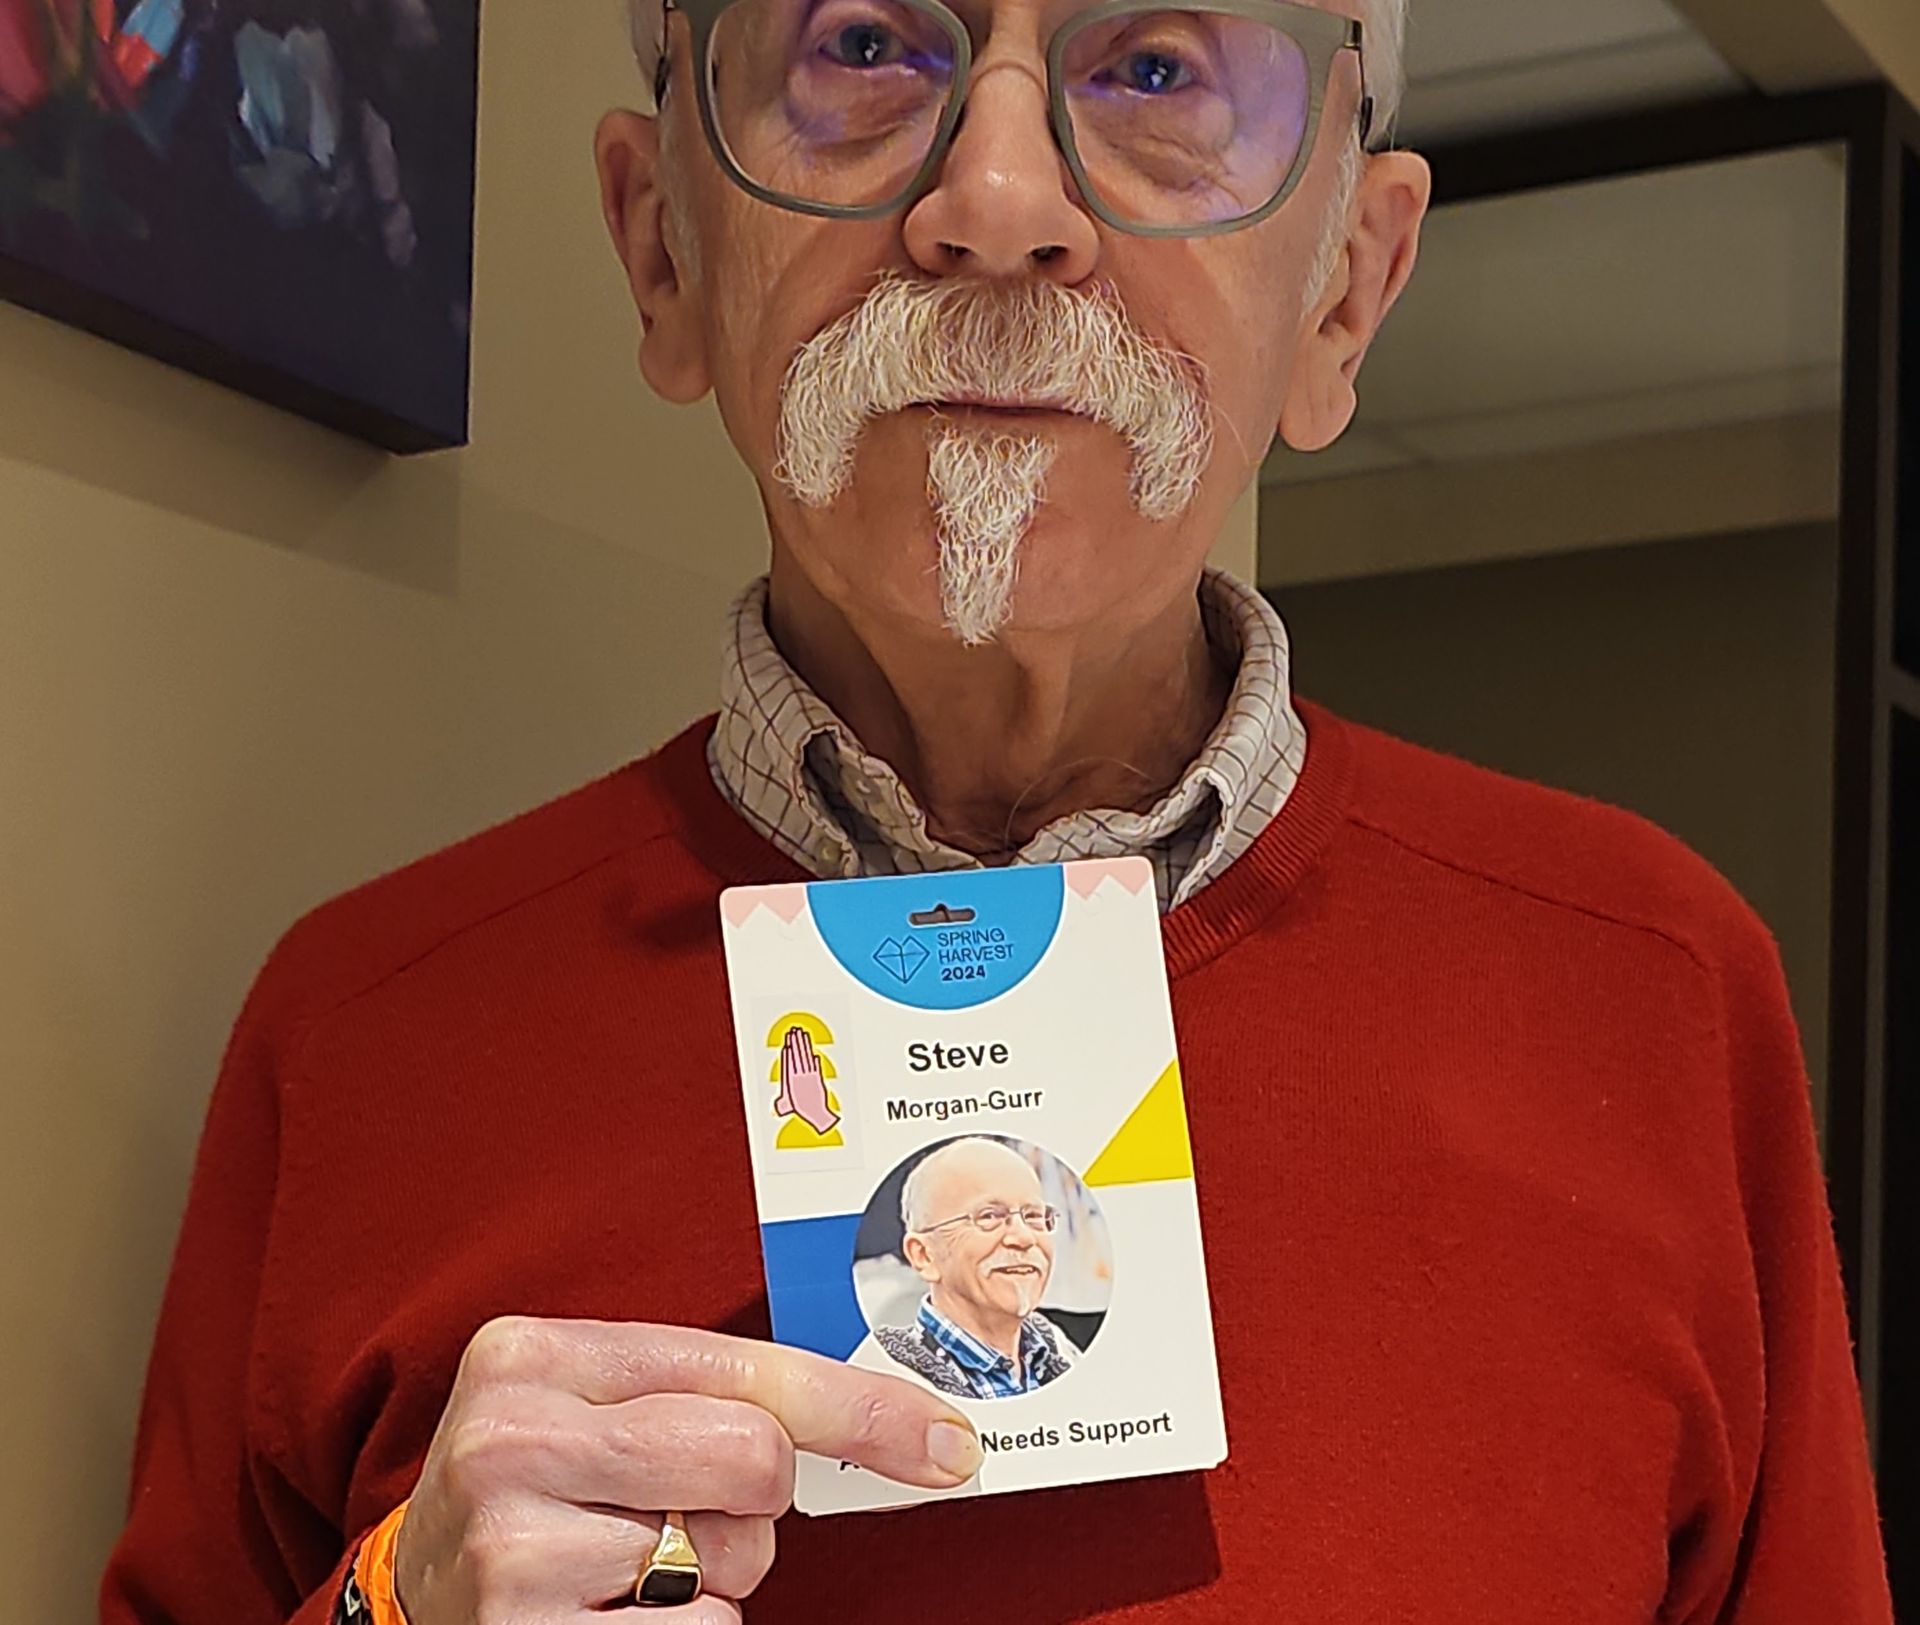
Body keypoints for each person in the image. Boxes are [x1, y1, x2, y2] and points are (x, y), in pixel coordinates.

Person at [101, 0, 1894, 1618]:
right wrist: (386, 1611)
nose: (1003, 196)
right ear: (662, 249)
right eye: (866, 44)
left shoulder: (1651, 991)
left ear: (1346, 290)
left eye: (1160, 67)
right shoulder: (355, 1040)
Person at [875, 1138, 1078, 1399]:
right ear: (924, 1255)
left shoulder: (1064, 1353)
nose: (1024, 1237)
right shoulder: (886, 1383)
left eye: (1034, 1216)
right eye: (989, 1216)